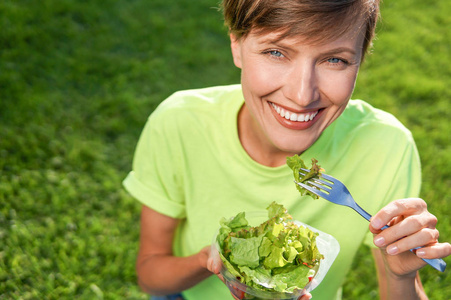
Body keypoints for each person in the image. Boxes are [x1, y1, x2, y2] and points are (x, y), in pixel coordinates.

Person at [123, 0, 451, 299]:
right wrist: (212, 259)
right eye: (276, 53)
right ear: (236, 45)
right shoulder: (180, 122)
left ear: (360, 61)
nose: (301, 94)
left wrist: (403, 277)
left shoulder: (385, 147)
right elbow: (152, 279)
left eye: (334, 59)